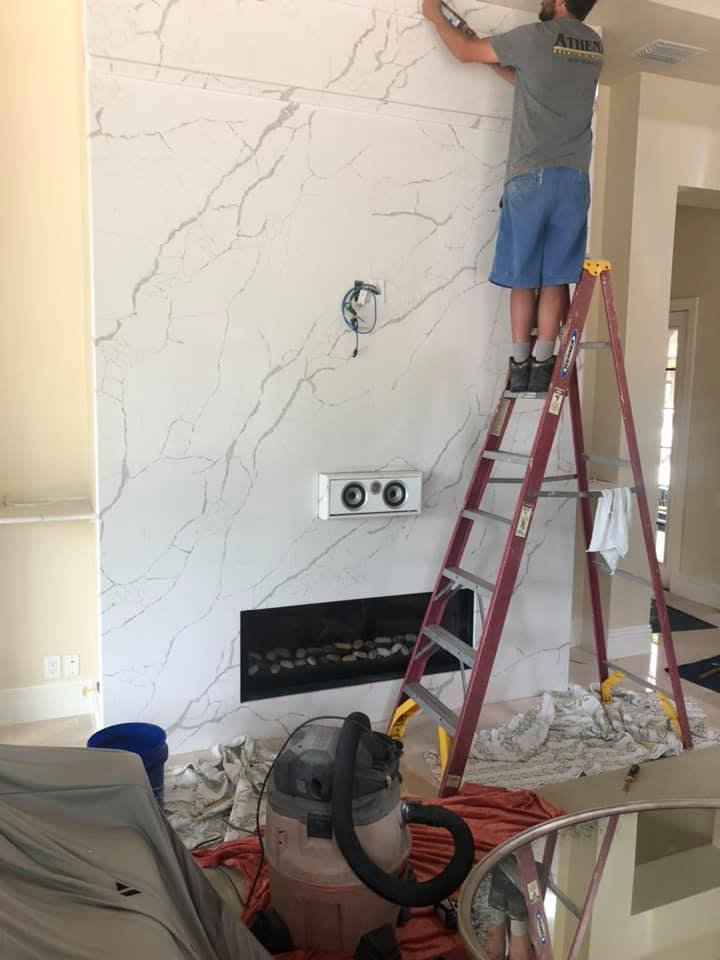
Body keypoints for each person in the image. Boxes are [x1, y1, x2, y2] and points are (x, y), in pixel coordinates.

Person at [421, 0, 603, 394]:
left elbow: (462, 52)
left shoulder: (537, 37)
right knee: (555, 278)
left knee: (523, 277)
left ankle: (519, 366)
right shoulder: (594, 47)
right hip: (572, 181)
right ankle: (543, 363)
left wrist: (435, 17)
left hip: (530, 177)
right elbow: (531, 83)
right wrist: (494, 59)